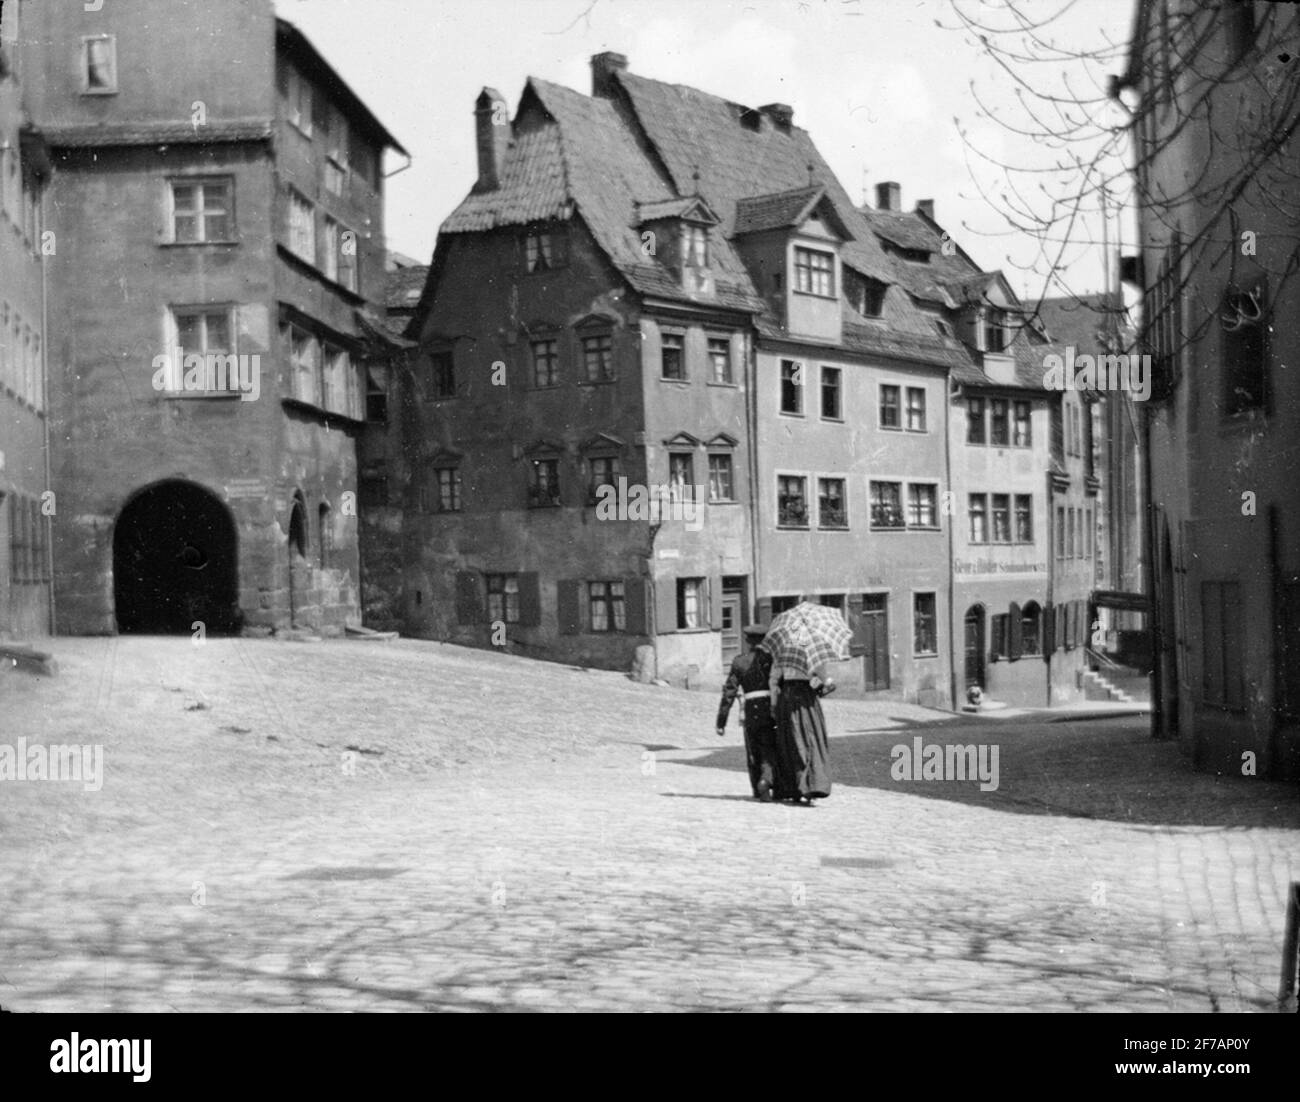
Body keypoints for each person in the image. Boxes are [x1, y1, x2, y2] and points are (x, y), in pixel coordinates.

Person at [715, 623, 779, 800]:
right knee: (769, 747)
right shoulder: (772, 659)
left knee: (753, 749)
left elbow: (729, 693)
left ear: (748, 641)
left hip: (751, 710)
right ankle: (767, 780)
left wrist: (721, 721)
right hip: (770, 708)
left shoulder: (739, 661)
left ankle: (757, 788)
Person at [768, 658, 834, 805]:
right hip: (806, 697)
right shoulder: (812, 654)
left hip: (787, 698)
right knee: (810, 738)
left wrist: (773, 704)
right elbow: (823, 678)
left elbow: (773, 681)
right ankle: (810, 784)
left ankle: (794, 788)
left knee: (790, 741)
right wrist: (827, 682)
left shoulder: (782, 654)